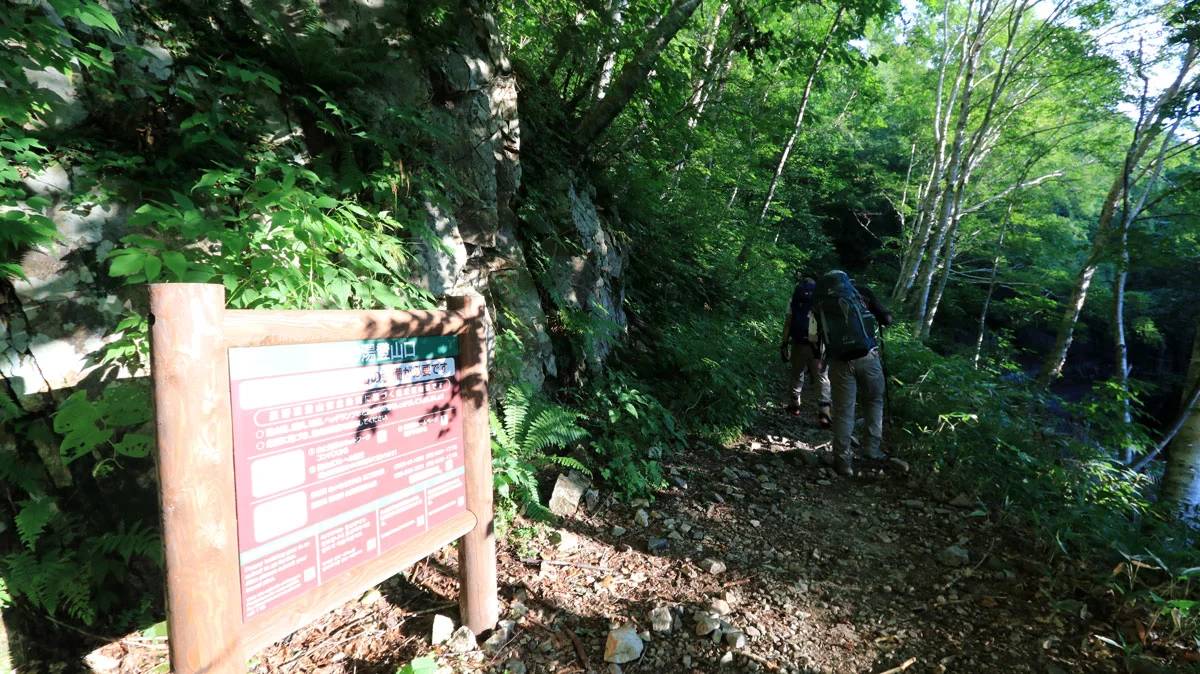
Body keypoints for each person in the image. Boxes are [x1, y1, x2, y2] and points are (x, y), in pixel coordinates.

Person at [813, 271, 893, 476]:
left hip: (839, 361)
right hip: (868, 357)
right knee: (874, 401)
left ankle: (843, 461)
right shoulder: (862, 293)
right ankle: (871, 451)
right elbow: (886, 319)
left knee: (843, 411)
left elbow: (818, 334)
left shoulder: (821, 302)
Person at [780, 278, 832, 426]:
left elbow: (788, 325)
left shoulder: (793, 301)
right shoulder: (820, 302)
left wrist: (784, 345)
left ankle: (794, 404)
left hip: (798, 344)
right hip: (818, 346)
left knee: (797, 373)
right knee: (822, 377)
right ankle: (824, 412)